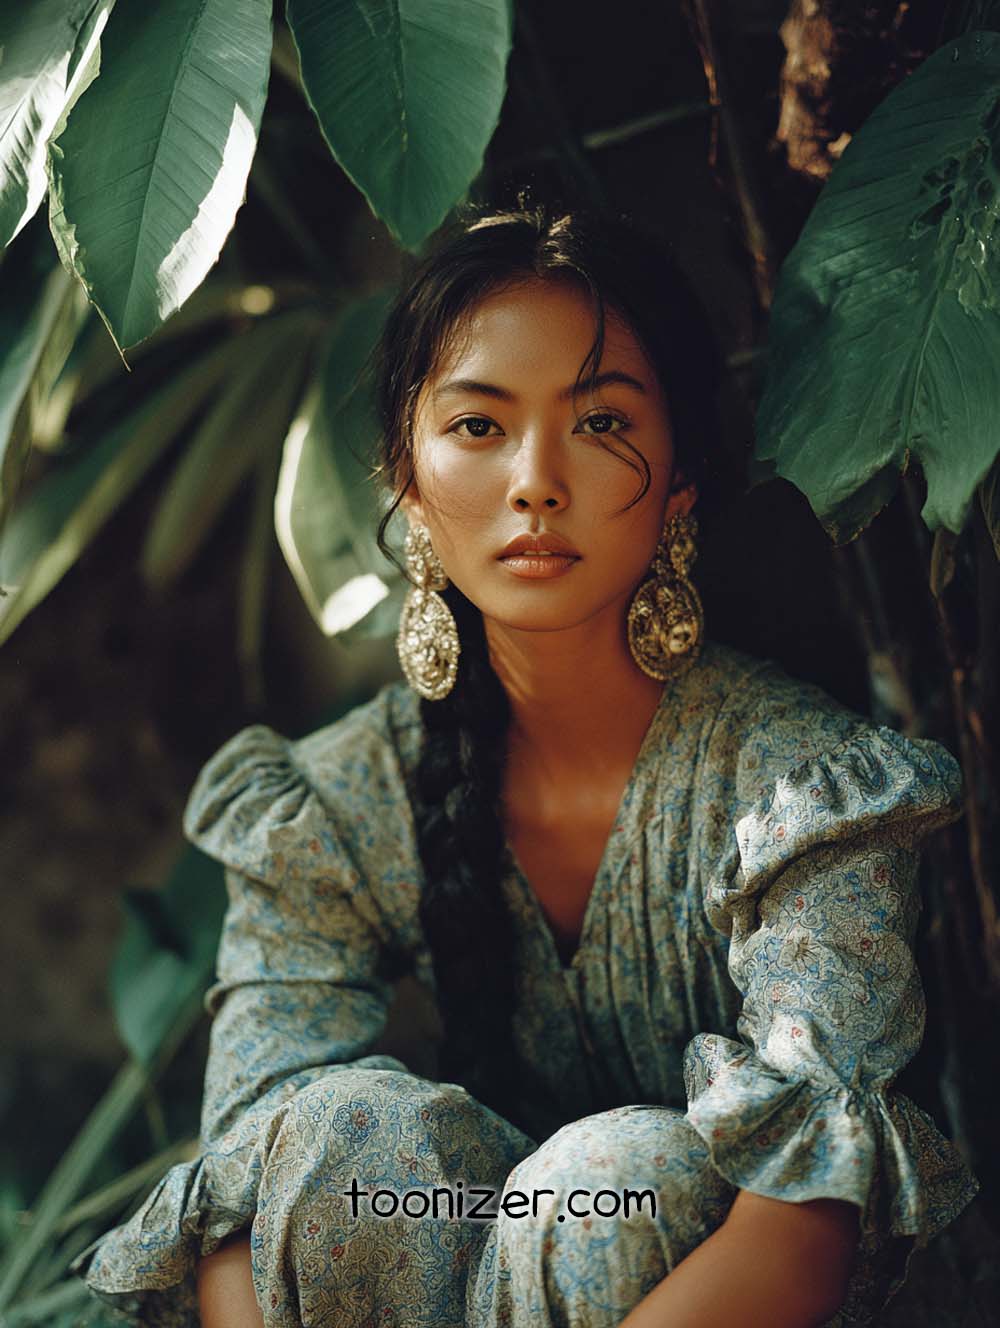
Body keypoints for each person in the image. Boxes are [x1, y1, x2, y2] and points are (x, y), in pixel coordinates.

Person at [73, 208, 979, 1328]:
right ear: (406, 480)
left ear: (680, 482)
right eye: (478, 424)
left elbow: (803, 1229)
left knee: (612, 1181)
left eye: (600, 421)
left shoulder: (802, 790)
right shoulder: (335, 806)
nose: (536, 481)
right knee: (344, 1138)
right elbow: (238, 1210)